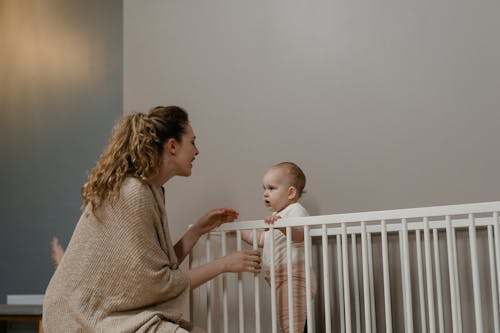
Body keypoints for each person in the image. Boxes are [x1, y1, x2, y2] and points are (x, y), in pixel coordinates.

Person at [43, 106, 261, 333]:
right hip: (80, 316)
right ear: (173, 146)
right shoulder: (134, 193)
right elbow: (157, 283)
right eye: (193, 142)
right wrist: (225, 264)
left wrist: (196, 231)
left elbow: (150, 271)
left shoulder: (151, 191)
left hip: (105, 312)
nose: (197, 151)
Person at [239, 162, 316, 333]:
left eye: (272, 188)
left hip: (294, 276)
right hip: (280, 277)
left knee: (291, 324)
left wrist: (281, 225)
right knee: (286, 321)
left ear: (291, 192)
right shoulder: (276, 217)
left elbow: (299, 235)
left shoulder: (296, 210)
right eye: (264, 188)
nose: (265, 193)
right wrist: (237, 231)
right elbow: (260, 239)